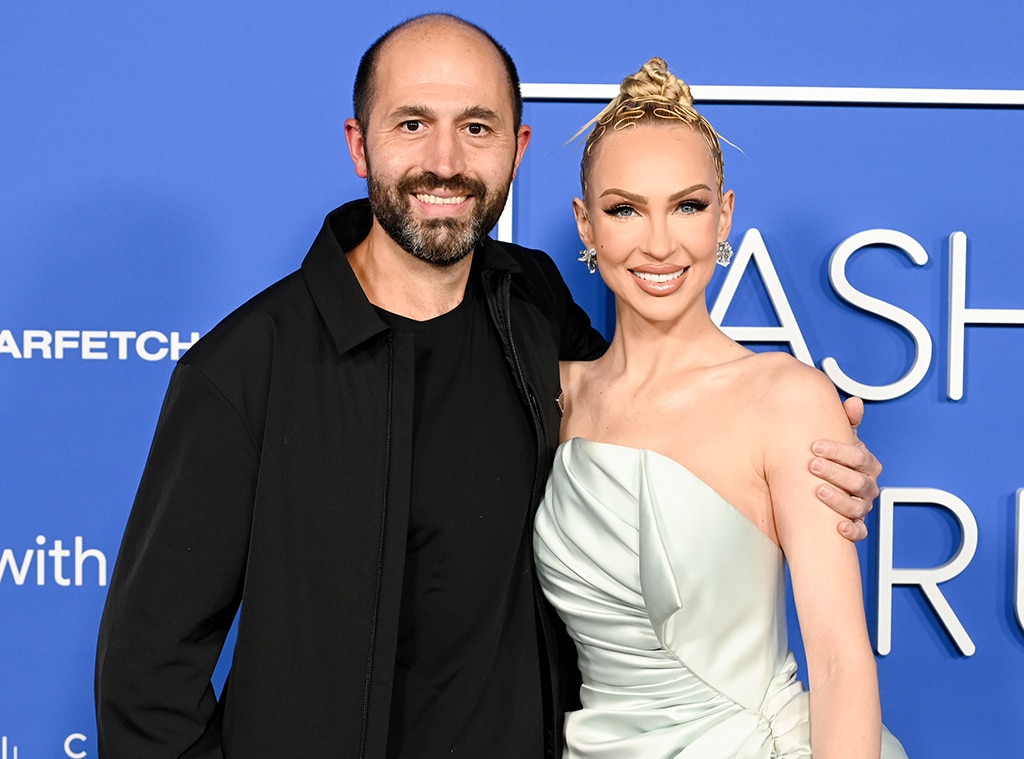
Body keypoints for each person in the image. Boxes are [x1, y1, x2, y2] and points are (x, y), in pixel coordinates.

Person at [94, 15, 884, 759]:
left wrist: (823, 463)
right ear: (359, 145)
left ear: (516, 147)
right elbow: (146, 675)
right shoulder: (244, 368)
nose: (445, 159)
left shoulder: (534, 312)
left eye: (476, 127)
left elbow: (669, 419)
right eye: (412, 124)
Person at [533, 58, 908, 758]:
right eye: (624, 209)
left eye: (688, 205)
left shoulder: (786, 398)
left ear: (724, 214)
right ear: (586, 225)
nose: (660, 242)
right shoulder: (553, 395)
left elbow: (839, 664)